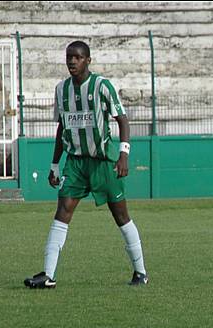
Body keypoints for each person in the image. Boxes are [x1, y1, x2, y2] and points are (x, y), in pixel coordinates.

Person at [24, 41, 148, 289]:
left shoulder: (102, 86)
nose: (72, 61)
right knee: (63, 210)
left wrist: (123, 154)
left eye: (77, 57)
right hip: (76, 163)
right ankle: (48, 274)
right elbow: (62, 128)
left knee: (121, 216)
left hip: (103, 162)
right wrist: (55, 165)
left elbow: (122, 120)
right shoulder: (61, 90)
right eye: (69, 57)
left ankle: (141, 272)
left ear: (88, 60)